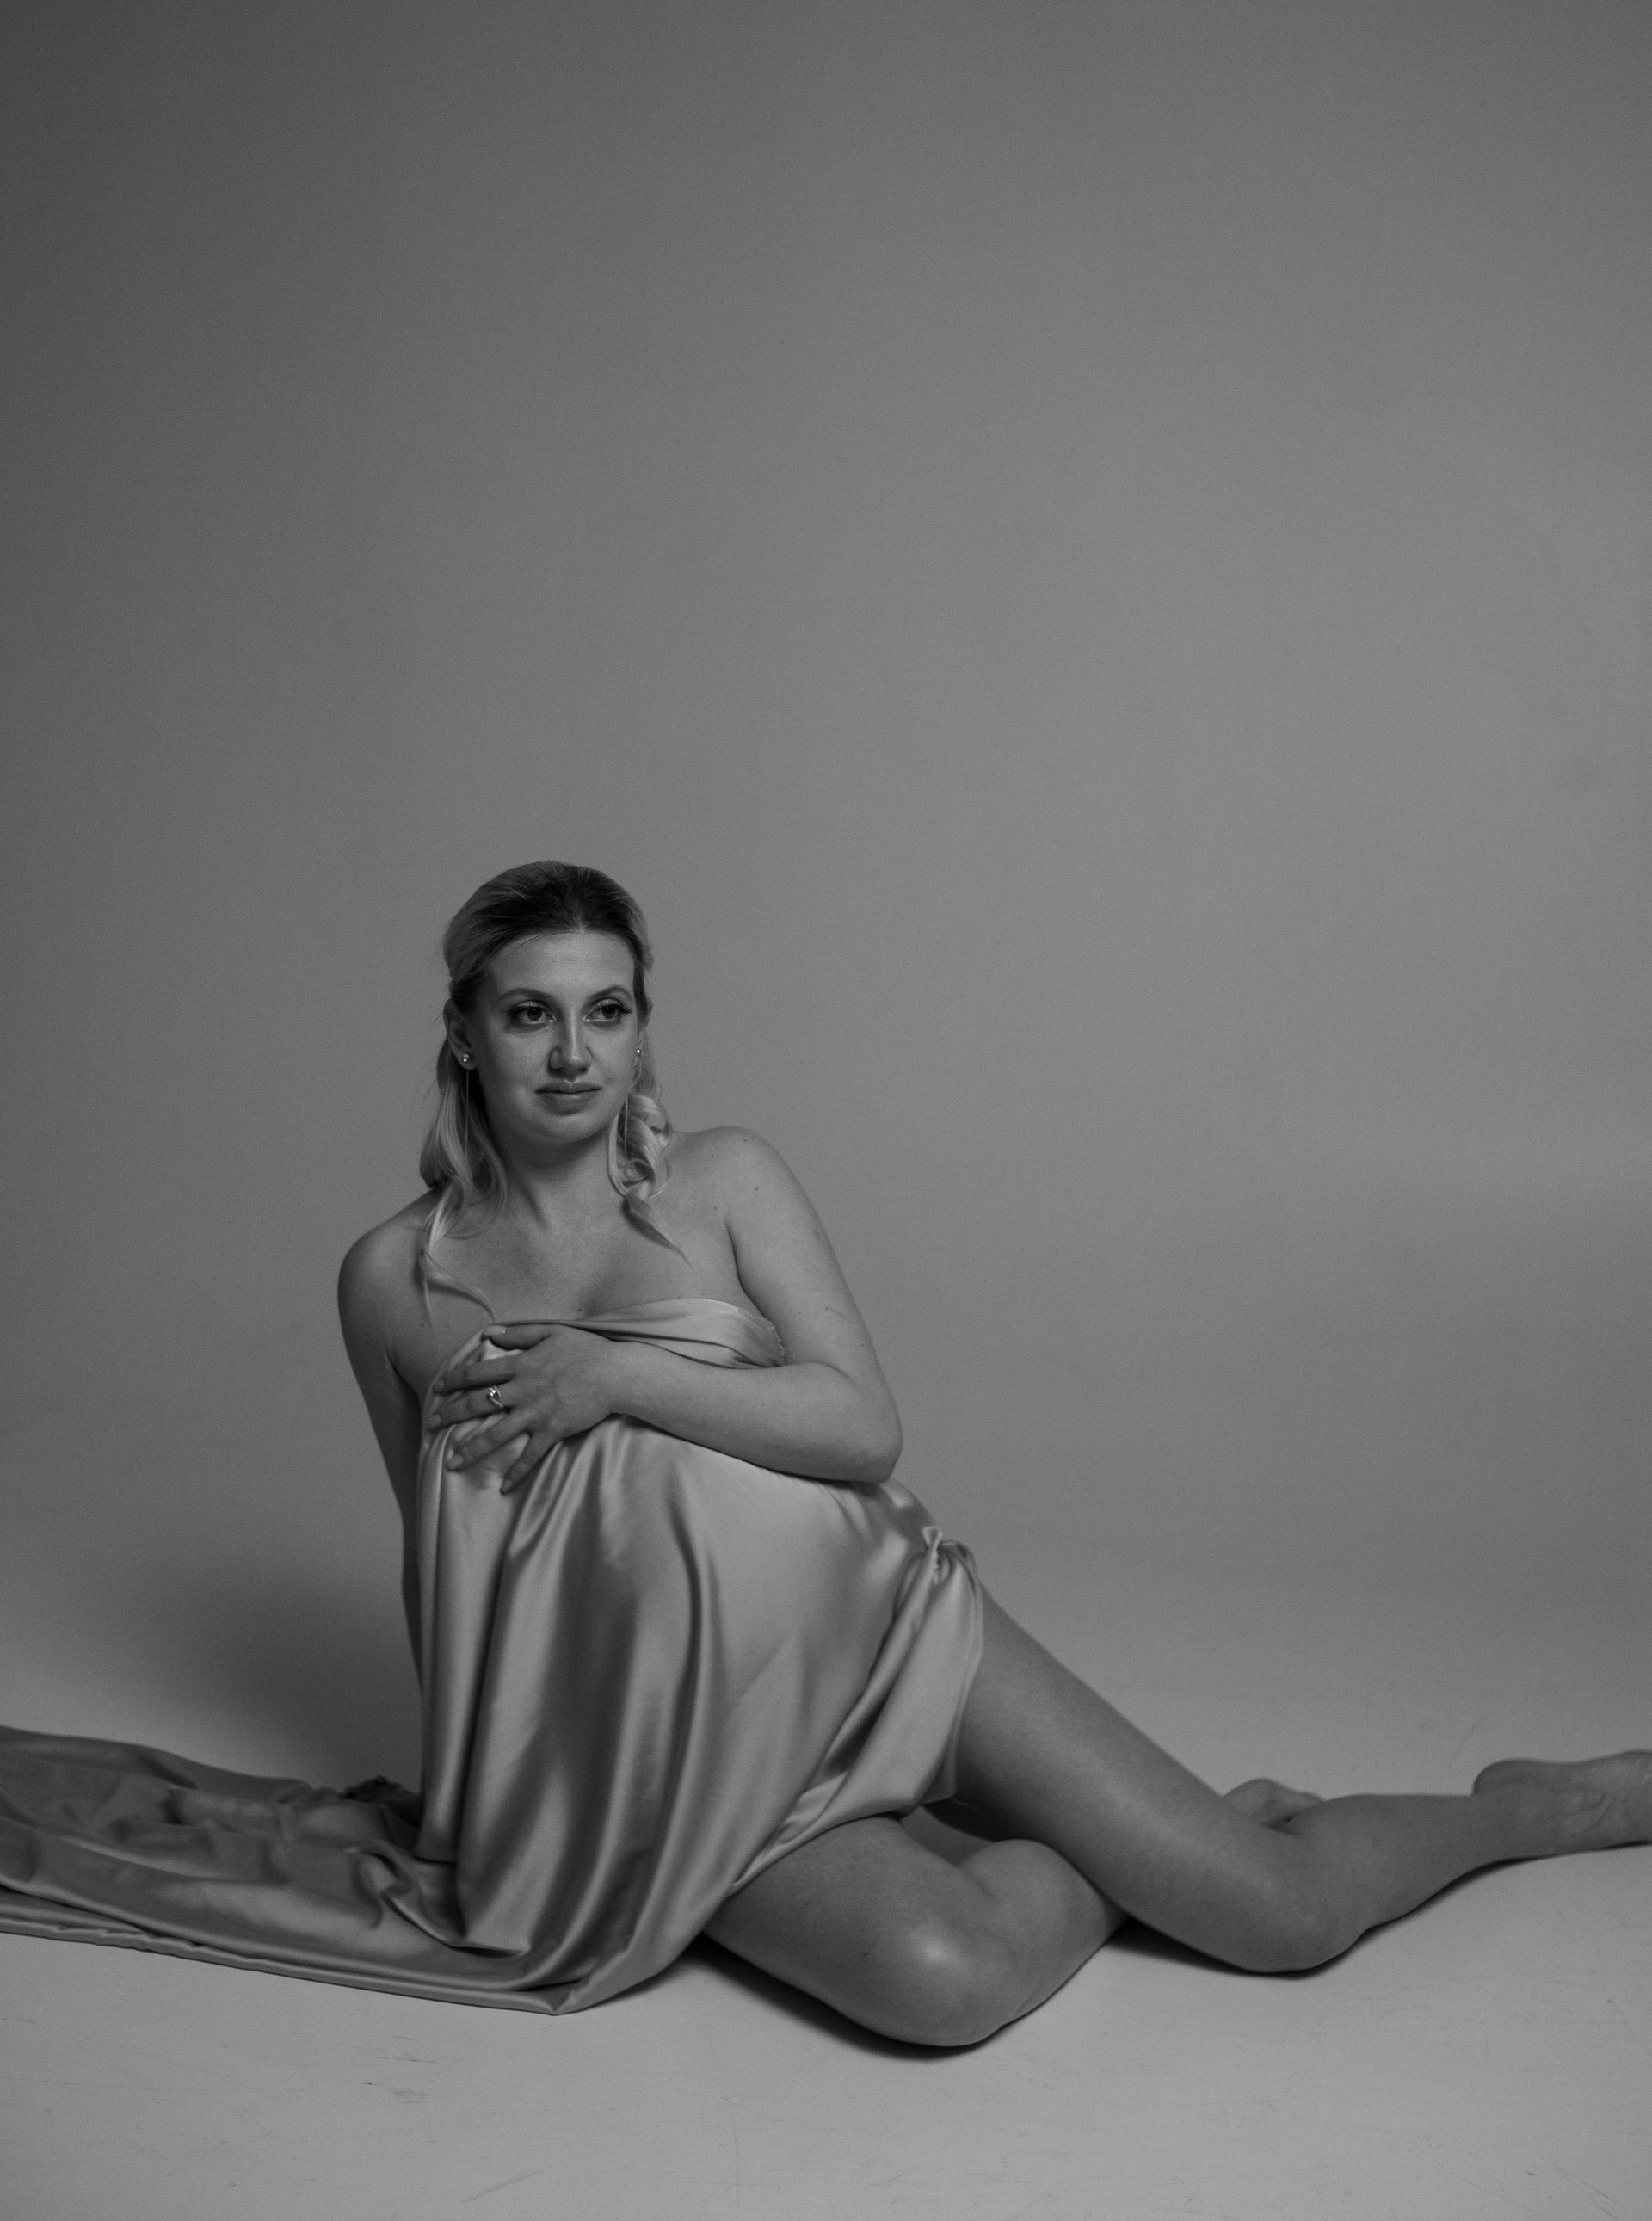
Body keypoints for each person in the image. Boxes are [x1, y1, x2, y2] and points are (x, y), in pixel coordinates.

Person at [0, 861, 1646, 2045]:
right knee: (941, 1981)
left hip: (879, 1633)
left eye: (606, 1011)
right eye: (529, 1014)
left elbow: (862, 1423)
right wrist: (511, 1795)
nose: (571, 1054)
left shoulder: (722, 1180)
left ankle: (1525, 1806)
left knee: (1277, 1923)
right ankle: (1153, 1837)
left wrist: (612, 1377)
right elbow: (440, 1553)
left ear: (643, 1029)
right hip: (661, 1748)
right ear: (465, 1034)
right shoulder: (386, 1278)